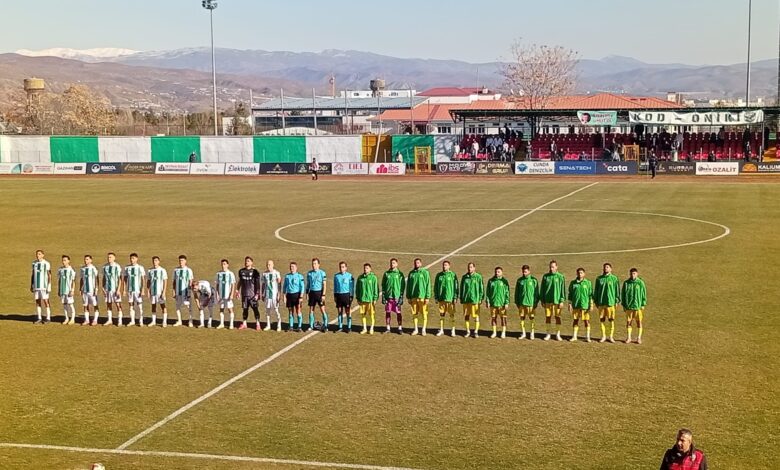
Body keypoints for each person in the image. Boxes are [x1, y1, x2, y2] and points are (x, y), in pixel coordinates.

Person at [593, 263, 620, 343]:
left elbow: (617, 290)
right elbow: (596, 290)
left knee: (611, 320)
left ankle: (611, 336)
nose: (605, 268)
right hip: (601, 302)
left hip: (610, 303)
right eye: (604, 267)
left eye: (607, 267)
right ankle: (603, 336)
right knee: (602, 320)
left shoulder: (614, 278)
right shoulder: (599, 279)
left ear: (611, 269)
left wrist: (617, 300)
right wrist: (596, 301)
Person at [540, 260, 566, 341]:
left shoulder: (560, 277)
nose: (551, 269)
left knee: (557, 317)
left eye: (553, 267)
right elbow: (542, 289)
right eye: (550, 267)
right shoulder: (545, 277)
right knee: (548, 317)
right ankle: (548, 334)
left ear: (556, 267)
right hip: (547, 301)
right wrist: (542, 300)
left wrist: (562, 300)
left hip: (557, 301)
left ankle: (558, 334)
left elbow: (562, 289)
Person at [406, 258, 432, 336]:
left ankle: (423, 329)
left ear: (421, 264)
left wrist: (427, 297)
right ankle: (416, 329)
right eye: (415, 263)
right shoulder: (411, 273)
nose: (416, 264)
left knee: (424, 313)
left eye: (418, 263)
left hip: (422, 297)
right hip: (413, 296)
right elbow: (408, 286)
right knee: (414, 313)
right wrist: (408, 297)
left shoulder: (425, 272)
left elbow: (428, 284)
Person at [621, 268, 647, 344]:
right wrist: (624, 305)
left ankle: (639, 338)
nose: (633, 275)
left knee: (639, 322)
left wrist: (643, 304)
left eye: (634, 273)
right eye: (631, 274)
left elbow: (644, 294)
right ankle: (629, 337)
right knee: (629, 322)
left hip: (638, 306)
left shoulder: (640, 283)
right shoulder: (626, 283)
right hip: (629, 306)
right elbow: (623, 294)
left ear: (637, 274)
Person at [567, 268, 594, 342]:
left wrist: (591, 304)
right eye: (578, 273)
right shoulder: (573, 283)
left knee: (586, 321)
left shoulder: (588, 283)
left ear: (584, 274)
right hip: (576, 305)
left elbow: (590, 294)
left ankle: (587, 337)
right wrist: (569, 303)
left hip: (585, 305)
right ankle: (574, 336)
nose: (580, 274)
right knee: (575, 320)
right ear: (576, 274)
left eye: (581, 273)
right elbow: (570, 294)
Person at [236, 256, 262, 330]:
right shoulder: (241, 271)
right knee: (245, 309)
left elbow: (257, 283)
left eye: (248, 261)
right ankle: (244, 323)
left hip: (252, 295)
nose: (246, 262)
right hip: (244, 295)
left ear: (251, 262)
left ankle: (258, 324)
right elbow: (240, 281)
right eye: (246, 261)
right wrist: (237, 290)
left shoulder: (255, 272)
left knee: (255, 309)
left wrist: (257, 294)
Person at [434, 260, 459, 337]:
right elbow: (435, 287)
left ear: (449, 266)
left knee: (451, 315)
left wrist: (455, 297)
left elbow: (456, 287)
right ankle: (441, 330)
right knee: (442, 314)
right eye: (443, 265)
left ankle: (453, 330)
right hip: (441, 298)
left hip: (450, 298)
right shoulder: (439, 275)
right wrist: (436, 297)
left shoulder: (453, 275)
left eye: (446, 265)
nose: (444, 266)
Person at [514, 264, 539, 340]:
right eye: (523, 272)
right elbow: (516, 292)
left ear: (529, 271)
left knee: (531, 318)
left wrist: (535, 302)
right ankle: (523, 333)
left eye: (525, 272)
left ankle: (532, 333)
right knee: (522, 318)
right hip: (522, 303)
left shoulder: (534, 280)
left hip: (530, 303)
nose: (524, 273)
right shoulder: (519, 280)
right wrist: (517, 302)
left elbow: (537, 292)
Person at [381, 258, 406, 334]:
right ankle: (388, 328)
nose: (392, 264)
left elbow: (402, 285)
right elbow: (383, 285)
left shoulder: (400, 274)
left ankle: (400, 328)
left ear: (397, 264)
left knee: (398, 312)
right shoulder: (386, 274)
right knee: (388, 312)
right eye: (391, 263)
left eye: (394, 263)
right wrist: (383, 295)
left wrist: (401, 296)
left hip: (396, 297)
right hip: (388, 297)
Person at [460, 262, 484, 338]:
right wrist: (461, 298)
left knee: (476, 316)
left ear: (474, 268)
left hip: (475, 300)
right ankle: (468, 331)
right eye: (468, 267)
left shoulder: (478, 277)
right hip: (466, 300)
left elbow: (481, 288)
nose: (469, 268)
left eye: (471, 267)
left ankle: (476, 331)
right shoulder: (464, 277)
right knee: (466, 316)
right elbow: (461, 288)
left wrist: (480, 298)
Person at [122, 253, 146, 327]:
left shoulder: (140, 267)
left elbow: (143, 279)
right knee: (131, 305)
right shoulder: (127, 268)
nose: (132, 260)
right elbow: (125, 279)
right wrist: (124, 290)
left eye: (133, 258)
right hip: (130, 290)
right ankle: (132, 320)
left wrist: (142, 289)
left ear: (136, 259)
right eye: (131, 258)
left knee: (139, 305)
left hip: (137, 290)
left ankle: (141, 321)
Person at [486, 266, 510, 339]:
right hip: (493, 303)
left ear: (502, 272)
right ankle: (494, 332)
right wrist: (487, 301)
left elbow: (507, 293)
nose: (497, 273)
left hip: (502, 304)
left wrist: (506, 302)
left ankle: (503, 332)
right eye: (496, 272)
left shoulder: (504, 281)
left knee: (503, 318)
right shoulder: (491, 281)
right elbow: (488, 292)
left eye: (498, 272)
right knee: (493, 318)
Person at [355, 263, 379, 335]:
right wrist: (358, 298)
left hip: (370, 300)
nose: (365, 269)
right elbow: (357, 289)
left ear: (370, 269)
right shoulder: (360, 278)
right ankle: (364, 328)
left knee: (371, 315)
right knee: (363, 314)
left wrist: (375, 298)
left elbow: (376, 288)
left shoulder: (373, 277)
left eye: (367, 268)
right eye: (365, 268)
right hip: (363, 300)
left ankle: (371, 328)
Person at [306, 258, 328, 332]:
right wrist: (307, 293)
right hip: (312, 293)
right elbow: (308, 284)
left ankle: (326, 325)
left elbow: (324, 285)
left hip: (319, 293)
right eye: (313, 264)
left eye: (315, 264)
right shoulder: (309, 273)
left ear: (318, 264)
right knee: (311, 310)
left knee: (322, 309)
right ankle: (311, 326)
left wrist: (323, 295)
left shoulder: (322, 273)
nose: (313, 265)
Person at [101, 252, 123, 326]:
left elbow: (120, 279)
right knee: (108, 304)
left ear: (114, 258)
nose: (109, 258)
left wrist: (118, 289)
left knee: (118, 304)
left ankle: (120, 320)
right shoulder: (105, 267)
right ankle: (109, 320)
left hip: (115, 289)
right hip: (108, 289)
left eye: (110, 257)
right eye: (108, 257)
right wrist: (103, 288)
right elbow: (104, 278)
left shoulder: (117, 266)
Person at [172, 255, 195, 328]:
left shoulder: (189, 270)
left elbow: (191, 281)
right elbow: (174, 281)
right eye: (180, 260)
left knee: (188, 306)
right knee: (177, 306)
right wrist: (173, 291)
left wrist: (189, 291)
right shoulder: (176, 270)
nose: (181, 262)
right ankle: (179, 320)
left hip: (186, 292)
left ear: (185, 261)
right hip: (178, 291)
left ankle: (190, 321)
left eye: (182, 260)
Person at [31, 249, 52, 324]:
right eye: (37, 254)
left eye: (39, 254)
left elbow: (49, 274)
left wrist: (49, 285)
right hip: (36, 286)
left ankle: (48, 317)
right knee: (37, 301)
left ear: (43, 255)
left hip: (44, 286)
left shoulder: (46, 263)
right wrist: (32, 284)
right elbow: (33, 274)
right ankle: (39, 317)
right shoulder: (34, 263)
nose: (38, 255)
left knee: (46, 301)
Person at [333, 261, 355, 333]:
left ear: (346, 268)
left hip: (346, 295)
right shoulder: (336, 276)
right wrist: (335, 295)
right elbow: (335, 287)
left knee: (348, 311)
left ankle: (349, 327)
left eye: (343, 267)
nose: (341, 268)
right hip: (339, 295)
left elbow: (352, 287)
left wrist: (351, 296)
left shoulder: (350, 276)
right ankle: (340, 326)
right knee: (339, 311)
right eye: (340, 267)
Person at [261, 260, 283, 331]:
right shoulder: (264, 274)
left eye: (269, 264)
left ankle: (279, 325)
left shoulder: (276, 273)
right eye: (267, 265)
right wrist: (263, 294)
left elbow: (279, 284)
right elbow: (263, 284)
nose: (268, 266)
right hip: (267, 295)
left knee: (276, 310)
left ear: (273, 265)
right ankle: (268, 325)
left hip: (274, 295)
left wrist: (279, 294)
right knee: (267, 310)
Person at [283, 262, 305, 332]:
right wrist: (284, 296)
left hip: (297, 295)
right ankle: (291, 326)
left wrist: (301, 297)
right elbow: (284, 286)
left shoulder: (300, 276)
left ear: (296, 268)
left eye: (293, 267)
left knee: (298, 310)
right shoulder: (287, 276)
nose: (291, 268)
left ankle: (299, 326)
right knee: (290, 311)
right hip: (289, 295)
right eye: (290, 267)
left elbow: (302, 287)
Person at [146, 256, 168, 327]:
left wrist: (164, 292)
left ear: (159, 261)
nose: (154, 262)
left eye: (156, 260)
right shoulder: (150, 270)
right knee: (153, 306)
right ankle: (153, 321)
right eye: (153, 261)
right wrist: (148, 291)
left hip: (160, 292)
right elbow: (148, 281)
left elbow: (165, 281)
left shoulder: (162, 270)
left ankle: (164, 322)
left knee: (163, 306)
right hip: (153, 291)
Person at [214, 259, 236, 330]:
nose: (223, 266)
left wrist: (231, 294)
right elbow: (217, 284)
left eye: (224, 264)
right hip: (221, 295)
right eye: (222, 264)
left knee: (230, 309)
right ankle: (221, 324)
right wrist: (217, 294)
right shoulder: (218, 274)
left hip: (228, 295)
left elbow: (233, 284)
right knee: (221, 309)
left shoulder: (230, 274)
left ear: (227, 265)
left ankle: (231, 324)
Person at [80, 255, 100, 326]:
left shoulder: (93, 268)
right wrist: (80, 288)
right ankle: (87, 320)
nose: (85, 261)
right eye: (85, 259)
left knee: (95, 305)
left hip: (92, 290)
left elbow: (97, 279)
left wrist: (96, 288)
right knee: (85, 305)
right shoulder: (82, 269)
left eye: (87, 259)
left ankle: (95, 320)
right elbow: (82, 279)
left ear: (91, 260)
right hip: (85, 290)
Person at [57, 255, 77, 325]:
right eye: (63, 260)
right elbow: (59, 280)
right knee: (64, 304)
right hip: (62, 290)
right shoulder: (60, 270)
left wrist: (72, 290)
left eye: (65, 260)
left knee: (71, 304)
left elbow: (73, 281)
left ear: (68, 261)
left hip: (68, 290)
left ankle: (73, 319)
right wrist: (59, 289)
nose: (63, 262)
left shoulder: (71, 270)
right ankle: (66, 318)